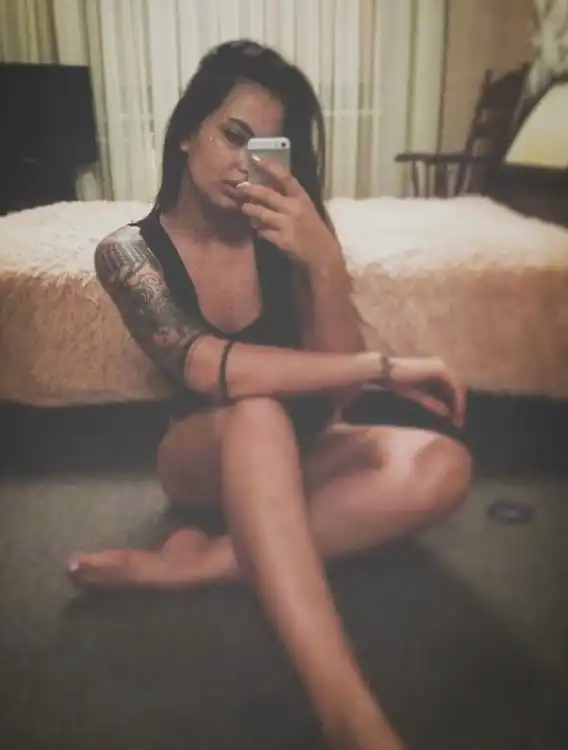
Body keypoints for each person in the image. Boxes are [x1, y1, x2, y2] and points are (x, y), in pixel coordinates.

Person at [67, 40, 473, 750]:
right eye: (232, 135)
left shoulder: (283, 234)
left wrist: (325, 263)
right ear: (187, 131)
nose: (243, 165)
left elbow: (336, 397)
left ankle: (204, 563)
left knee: (443, 464)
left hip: (302, 442)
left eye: (264, 148)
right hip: (201, 457)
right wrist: (386, 366)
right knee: (255, 413)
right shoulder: (127, 252)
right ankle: (347, 713)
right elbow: (207, 370)